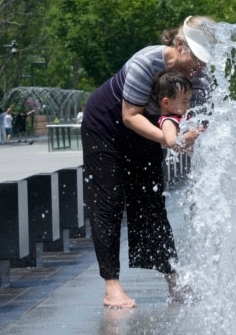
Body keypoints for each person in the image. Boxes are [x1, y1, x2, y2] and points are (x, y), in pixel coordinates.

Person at [81, 15, 215, 308]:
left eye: (205, 60)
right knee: (109, 200)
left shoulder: (200, 79)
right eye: (196, 58)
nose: (199, 66)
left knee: (151, 202)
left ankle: (174, 283)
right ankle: (111, 287)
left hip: (149, 130)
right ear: (180, 45)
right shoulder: (148, 61)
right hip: (106, 126)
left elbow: (210, 130)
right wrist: (173, 141)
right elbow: (130, 116)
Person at [152, 70, 201, 148]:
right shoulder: (168, 122)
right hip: (178, 160)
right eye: (184, 102)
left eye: (188, 101)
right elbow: (172, 142)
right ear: (166, 103)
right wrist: (190, 136)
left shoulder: (180, 117)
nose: (188, 105)